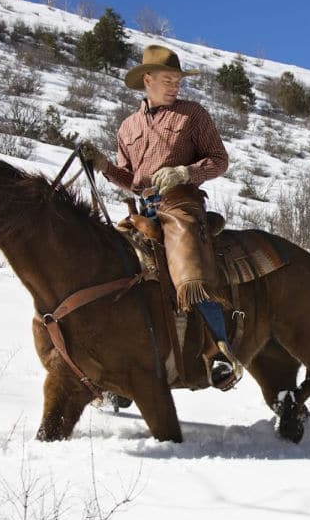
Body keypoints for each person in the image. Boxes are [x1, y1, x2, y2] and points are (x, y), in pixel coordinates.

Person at [81, 44, 239, 388]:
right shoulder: (127, 127)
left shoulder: (192, 114)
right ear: (147, 80)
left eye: (177, 79)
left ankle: (219, 352)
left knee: (189, 269)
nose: (175, 85)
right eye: (168, 79)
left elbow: (219, 160)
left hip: (181, 204)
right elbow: (130, 178)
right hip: (142, 209)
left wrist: (184, 173)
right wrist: (104, 166)